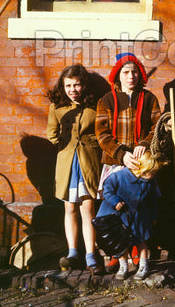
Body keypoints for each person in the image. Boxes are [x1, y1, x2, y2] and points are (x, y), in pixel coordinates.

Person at [95, 52, 161, 271]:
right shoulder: (106, 100)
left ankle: (136, 251)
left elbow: (156, 126)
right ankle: (116, 252)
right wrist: (121, 153)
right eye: (126, 72)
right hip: (117, 161)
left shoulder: (149, 98)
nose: (130, 76)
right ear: (118, 76)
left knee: (138, 207)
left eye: (134, 72)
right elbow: (102, 134)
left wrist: (144, 142)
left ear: (140, 74)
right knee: (114, 208)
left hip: (141, 164)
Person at [47, 64, 104, 273]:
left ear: (84, 86)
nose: (73, 89)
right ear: (63, 86)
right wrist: (66, 147)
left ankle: (91, 254)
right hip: (67, 162)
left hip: (88, 161)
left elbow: (101, 133)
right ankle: (72, 252)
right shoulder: (57, 107)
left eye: (77, 85)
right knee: (69, 207)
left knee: (88, 208)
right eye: (68, 85)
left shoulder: (95, 106)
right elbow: (51, 134)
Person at [95, 150, 166, 280]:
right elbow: (108, 190)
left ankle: (143, 266)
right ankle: (123, 266)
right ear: (143, 170)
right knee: (121, 244)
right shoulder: (119, 176)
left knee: (141, 241)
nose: (155, 174)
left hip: (140, 217)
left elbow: (152, 200)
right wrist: (115, 201)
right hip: (121, 216)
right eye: (153, 172)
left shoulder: (149, 182)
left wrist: (154, 216)